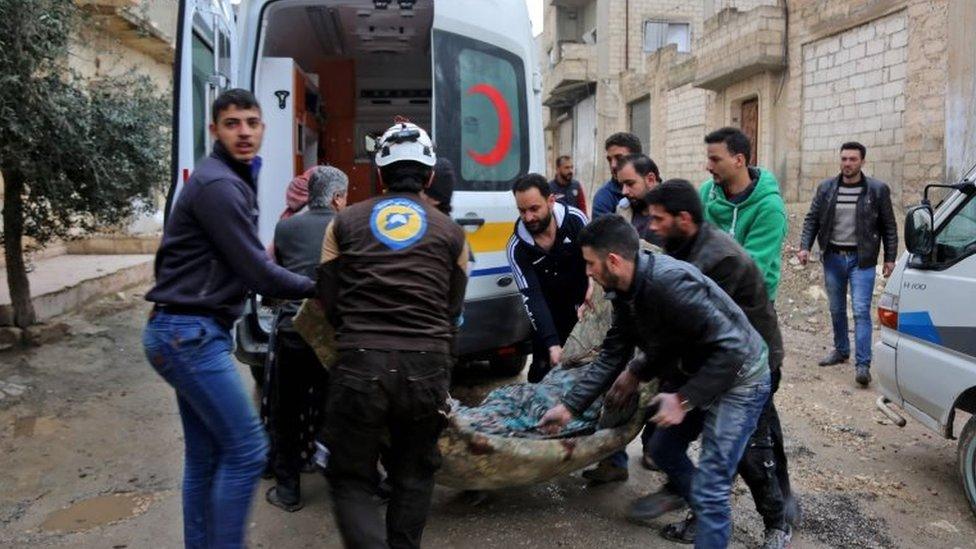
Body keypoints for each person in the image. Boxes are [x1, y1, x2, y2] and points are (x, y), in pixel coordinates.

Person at [143, 89, 315, 548]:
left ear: (262, 128)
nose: (244, 132)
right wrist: (319, 286)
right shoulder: (220, 185)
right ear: (215, 130)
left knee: (206, 456)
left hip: (183, 330)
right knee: (246, 450)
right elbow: (257, 270)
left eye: (252, 123)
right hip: (190, 336)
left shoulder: (228, 177)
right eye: (233, 123)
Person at [539, 214, 771, 549]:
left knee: (712, 483)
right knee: (663, 448)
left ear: (614, 261)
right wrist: (569, 407)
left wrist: (683, 399)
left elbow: (732, 349)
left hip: (740, 378)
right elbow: (613, 353)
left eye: (590, 264)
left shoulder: (670, 283)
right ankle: (708, 513)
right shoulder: (625, 290)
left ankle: (710, 516)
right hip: (701, 368)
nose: (587, 272)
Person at [317, 121, 468, 549]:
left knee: (350, 478)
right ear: (431, 177)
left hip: (360, 365)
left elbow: (328, 299)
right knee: (415, 475)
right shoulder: (453, 233)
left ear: (378, 175)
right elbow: (452, 311)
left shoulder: (343, 223)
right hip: (427, 369)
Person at [630, 179, 793, 548]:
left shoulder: (721, 260)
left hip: (750, 368)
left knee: (751, 455)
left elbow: (718, 342)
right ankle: (703, 512)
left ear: (683, 218)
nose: (650, 227)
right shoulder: (679, 248)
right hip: (707, 365)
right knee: (665, 446)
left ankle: (777, 525)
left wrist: (676, 392)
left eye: (657, 219)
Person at [264, 166, 348, 512]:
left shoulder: (286, 227)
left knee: (288, 410)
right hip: (335, 333)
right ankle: (344, 485)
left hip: (293, 331)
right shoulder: (347, 227)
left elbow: (280, 272)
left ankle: (288, 490)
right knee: (339, 409)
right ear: (336, 197)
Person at [581, 152, 664, 484]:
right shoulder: (623, 212)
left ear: (651, 179)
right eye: (621, 184)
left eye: (630, 183)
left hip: (661, 318)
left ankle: (657, 450)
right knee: (617, 379)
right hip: (629, 313)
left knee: (656, 384)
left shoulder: (669, 215)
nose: (625, 191)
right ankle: (613, 460)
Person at [798, 141, 898, 386]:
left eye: (853, 159)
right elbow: (812, 219)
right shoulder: (826, 188)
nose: (847, 164)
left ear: (862, 161)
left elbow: (889, 226)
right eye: (844, 159)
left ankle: (863, 365)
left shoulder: (877, 189)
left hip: (861, 259)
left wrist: (890, 258)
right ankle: (841, 350)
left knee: (862, 310)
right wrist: (804, 247)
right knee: (835, 308)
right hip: (832, 257)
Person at [506, 173, 590, 383]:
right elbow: (532, 297)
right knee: (541, 375)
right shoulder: (517, 248)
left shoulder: (576, 220)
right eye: (522, 211)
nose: (528, 218)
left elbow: (595, 259)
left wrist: (592, 289)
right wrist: (552, 345)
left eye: (534, 209)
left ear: (551, 201)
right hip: (548, 320)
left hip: (584, 313)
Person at [699, 127, 788, 302]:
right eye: (709, 159)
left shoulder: (770, 208)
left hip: (751, 302)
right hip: (708, 294)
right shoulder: (706, 191)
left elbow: (751, 269)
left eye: (715, 160)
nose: (708, 167)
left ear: (739, 160)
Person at [591, 132, 643, 218]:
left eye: (619, 158)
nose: (613, 165)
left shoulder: (655, 189)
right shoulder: (604, 197)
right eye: (609, 160)